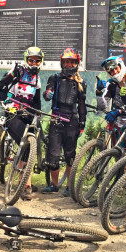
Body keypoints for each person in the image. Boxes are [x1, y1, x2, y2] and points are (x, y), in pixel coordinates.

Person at [0, 47, 44, 201]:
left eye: (37, 60)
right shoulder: (17, 71)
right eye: (31, 60)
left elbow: (36, 101)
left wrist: (38, 114)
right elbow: (0, 88)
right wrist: (6, 102)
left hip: (27, 114)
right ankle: (26, 185)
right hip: (12, 113)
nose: (34, 63)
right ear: (26, 60)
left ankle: (24, 175)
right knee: (26, 144)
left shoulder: (37, 79)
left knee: (35, 141)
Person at [41, 48, 87, 196]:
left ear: (76, 64)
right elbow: (46, 94)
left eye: (71, 62)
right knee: (53, 156)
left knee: (70, 155)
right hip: (56, 119)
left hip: (72, 121)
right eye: (66, 62)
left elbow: (82, 104)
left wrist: (82, 122)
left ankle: (69, 186)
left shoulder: (81, 83)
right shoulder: (54, 78)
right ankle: (54, 186)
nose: (69, 65)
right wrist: (48, 94)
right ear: (62, 63)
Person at [96, 55, 126, 128]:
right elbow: (102, 106)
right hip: (117, 124)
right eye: (111, 71)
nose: (115, 72)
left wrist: (120, 111)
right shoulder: (111, 84)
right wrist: (98, 92)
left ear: (121, 66)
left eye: (116, 68)